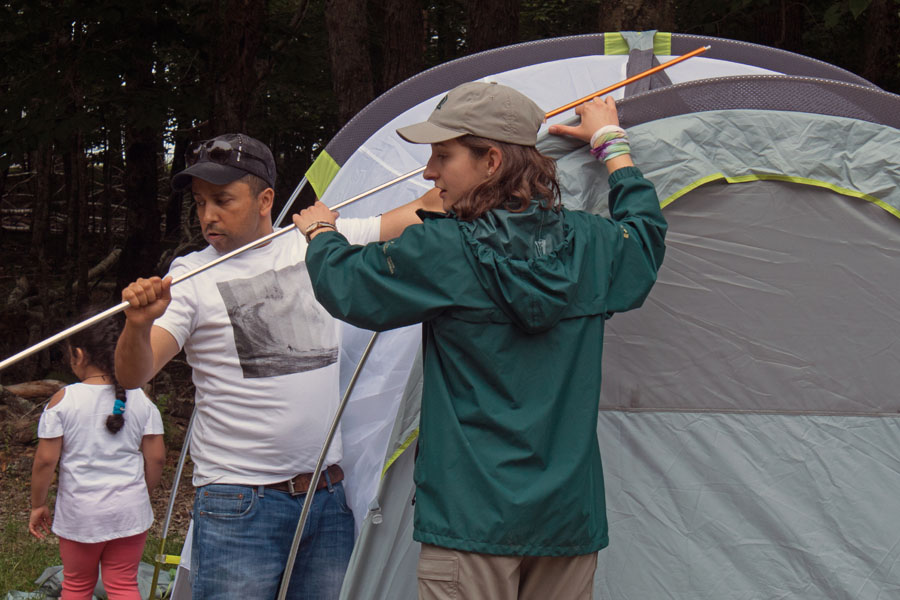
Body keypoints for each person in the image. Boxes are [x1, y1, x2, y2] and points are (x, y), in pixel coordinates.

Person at [294, 82, 668, 599]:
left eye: (442, 156)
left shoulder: (443, 249)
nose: (429, 173)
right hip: (565, 522)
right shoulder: (592, 244)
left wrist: (321, 234)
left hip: (470, 522)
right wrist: (611, 143)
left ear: (491, 161)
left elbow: (349, 287)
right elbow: (643, 241)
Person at [114, 133, 442, 600]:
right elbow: (134, 375)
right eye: (201, 202)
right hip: (238, 503)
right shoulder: (190, 277)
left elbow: (425, 208)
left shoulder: (313, 243)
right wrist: (138, 326)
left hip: (326, 497)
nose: (208, 215)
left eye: (223, 200)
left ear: (265, 198)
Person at [30, 314, 165, 600]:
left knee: (77, 585)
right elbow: (156, 459)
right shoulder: (141, 398)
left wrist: (38, 504)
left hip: (81, 514)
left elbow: (44, 461)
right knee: (124, 585)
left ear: (78, 355)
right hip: (130, 511)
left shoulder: (64, 399)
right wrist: (143, 493)